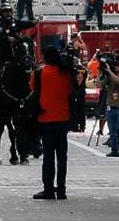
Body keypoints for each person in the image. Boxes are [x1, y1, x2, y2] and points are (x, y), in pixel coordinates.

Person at [31, 44, 79, 200]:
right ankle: (62, 189)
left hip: (45, 118)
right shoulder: (66, 73)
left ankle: (48, 189)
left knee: (48, 156)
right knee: (62, 156)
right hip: (63, 118)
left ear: (45, 57)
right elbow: (72, 89)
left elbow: (31, 88)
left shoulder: (39, 73)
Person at [99, 54, 119, 157]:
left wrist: (110, 71)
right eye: (114, 65)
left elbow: (118, 81)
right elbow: (99, 85)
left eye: (117, 65)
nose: (115, 67)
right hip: (110, 107)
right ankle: (114, 150)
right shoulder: (109, 77)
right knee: (112, 132)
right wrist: (101, 72)